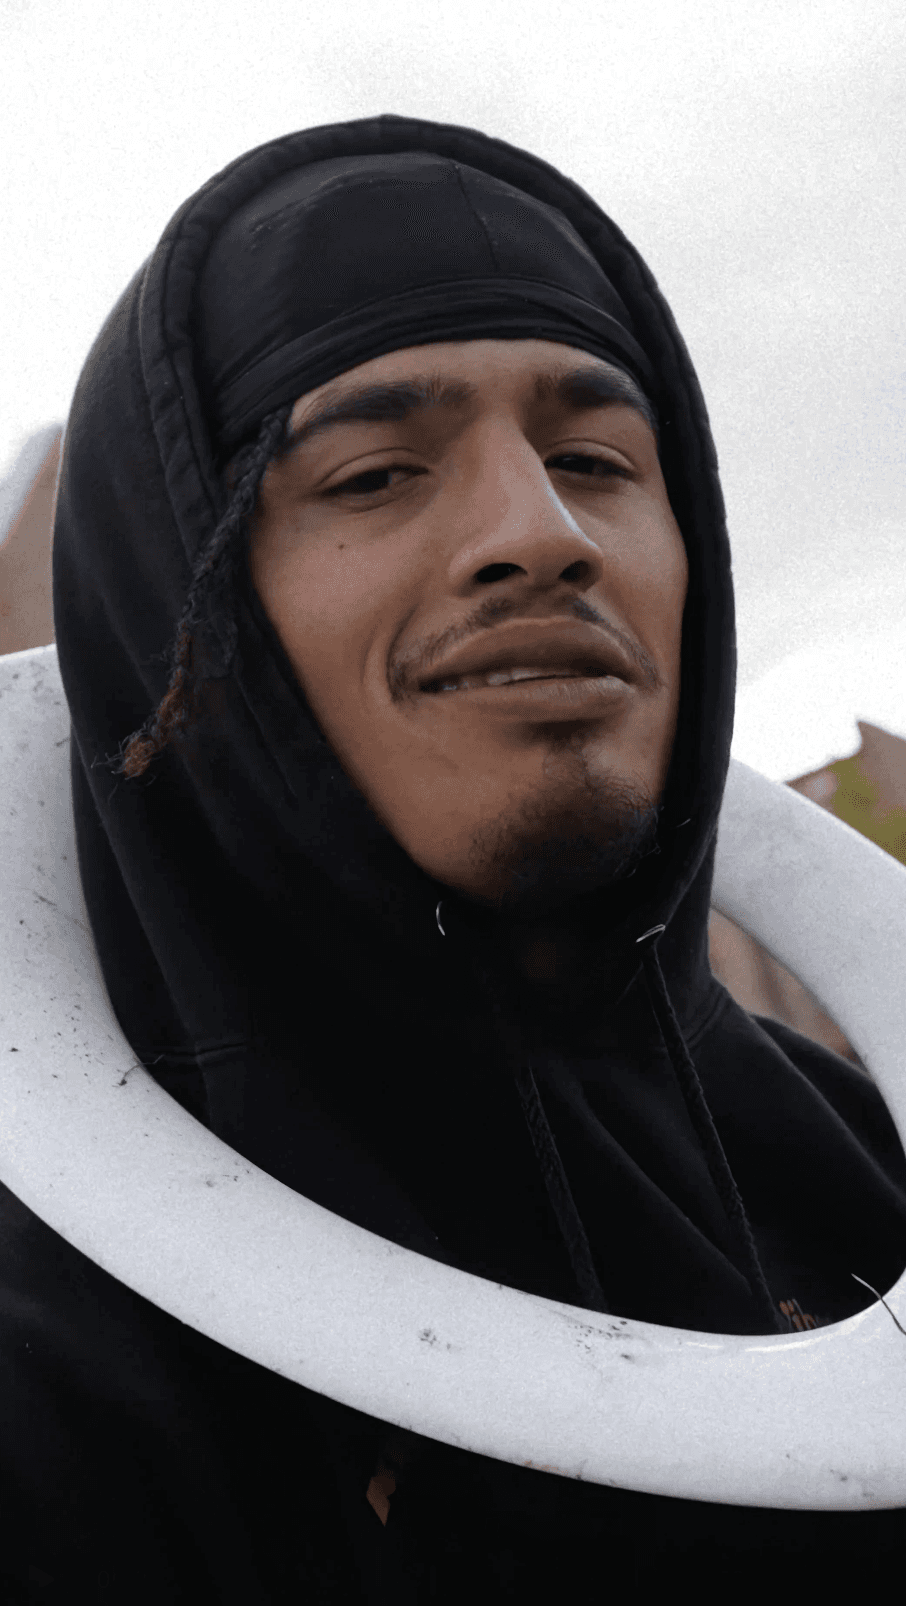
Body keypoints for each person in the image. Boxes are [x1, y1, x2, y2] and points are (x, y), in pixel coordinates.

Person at [4, 111, 904, 1602]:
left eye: (596, 457)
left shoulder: (845, 1144)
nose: (536, 530)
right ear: (180, 603)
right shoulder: (63, 1354)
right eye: (371, 475)